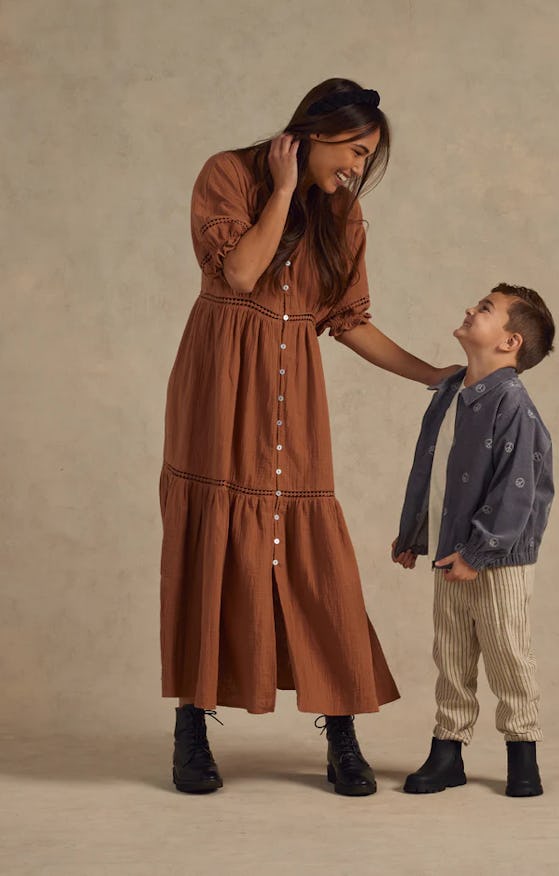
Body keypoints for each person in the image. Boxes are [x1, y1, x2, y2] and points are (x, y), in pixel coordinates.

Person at [160, 77, 459, 797]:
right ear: (315, 131)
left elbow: (348, 320)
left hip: (295, 399)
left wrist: (435, 373)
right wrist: (284, 187)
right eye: (354, 150)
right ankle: (192, 726)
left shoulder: (344, 218)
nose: (357, 168)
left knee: (314, 556)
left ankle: (342, 732)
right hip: (219, 388)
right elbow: (239, 271)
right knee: (212, 547)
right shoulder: (229, 174)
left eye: (367, 157)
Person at [391, 283, 555, 797]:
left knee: (508, 651)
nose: (469, 308)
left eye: (485, 309)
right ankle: (448, 751)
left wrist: (480, 551)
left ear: (509, 342)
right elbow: (432, 471)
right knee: (452, 653)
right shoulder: (450, 394)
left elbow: (518, 492)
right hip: (449, 550)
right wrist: (413, 535)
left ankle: (522, 754)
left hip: (498, 558)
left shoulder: (513, 406)